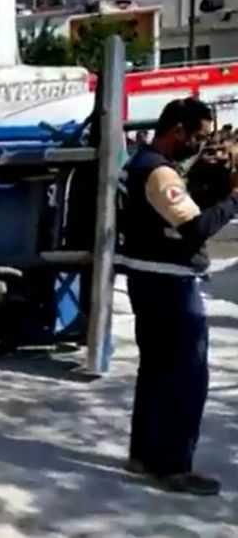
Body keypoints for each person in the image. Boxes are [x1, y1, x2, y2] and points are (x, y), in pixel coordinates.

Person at [116, 97, 238, 496]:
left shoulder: (146, 166)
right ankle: (173, 466)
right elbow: (196, 227)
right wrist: (234, 199)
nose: (201, 145)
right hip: (169, 286)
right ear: (177, 131)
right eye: (198, 137)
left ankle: (144, 455)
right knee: (186, 378)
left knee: (154, 372)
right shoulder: (158, 173)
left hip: (151, 281)